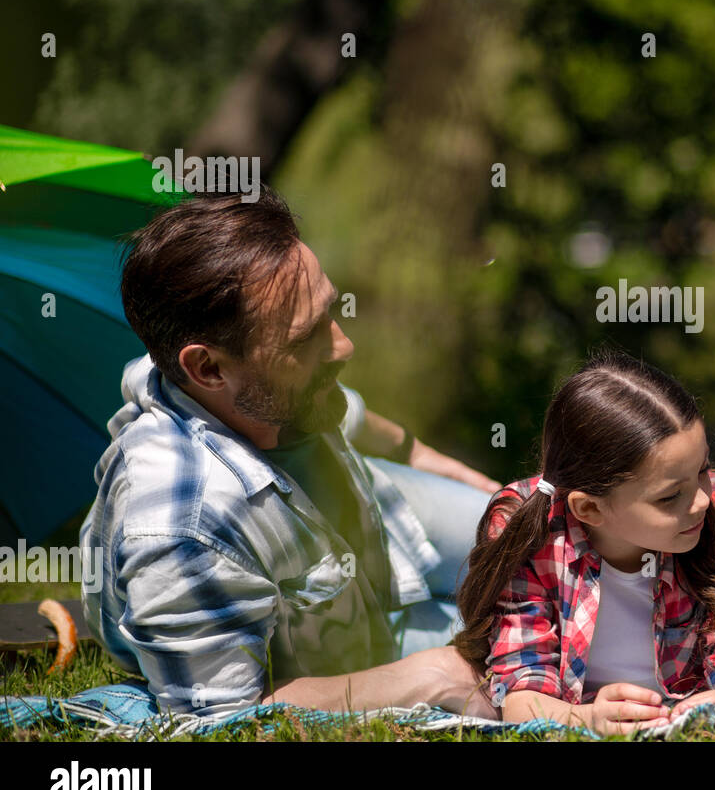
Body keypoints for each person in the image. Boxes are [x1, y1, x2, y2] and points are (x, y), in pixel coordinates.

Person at [80, 187, 501, 718]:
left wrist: (440, 465)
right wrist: (434, 676)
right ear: (208, 369)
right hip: (348, 652)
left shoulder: (268, 389)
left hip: (383, 518)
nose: (344, 346)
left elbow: (356, 417)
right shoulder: (179, 529)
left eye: (330, 310)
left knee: (559, 540)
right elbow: (226, 721)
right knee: (557, 656)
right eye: (306, 340)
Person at [452, 351, 715, 735]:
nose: (702, 499)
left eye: (702, 469)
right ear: (589, 508)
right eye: (670, 497)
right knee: (437, 669)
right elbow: (522, 695)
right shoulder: (526, 530)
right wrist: (588, 720)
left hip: (681, 697)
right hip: (571, 696)